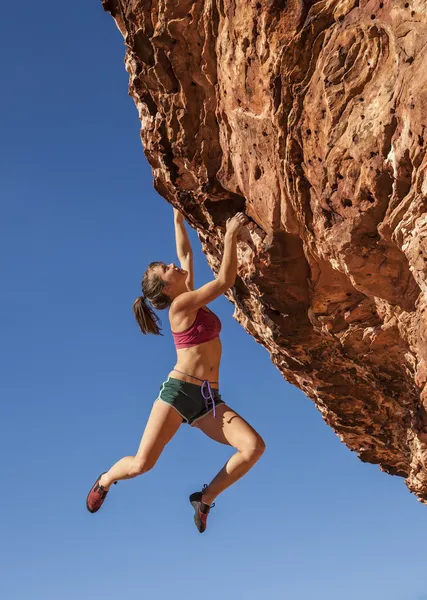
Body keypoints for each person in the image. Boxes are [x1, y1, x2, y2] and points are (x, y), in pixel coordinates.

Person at [86, 209, 265, 533]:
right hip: (179, 393)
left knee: (253, 448)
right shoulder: (182, 307)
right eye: (166, 270)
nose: (173, 265)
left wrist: (177, 220)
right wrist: (229, 235)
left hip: (208, 401)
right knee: (142, 464)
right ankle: (106, 478)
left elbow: (185, 253)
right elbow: (225, 281)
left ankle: (205, 498)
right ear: (166, 289)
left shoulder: (187, 297)